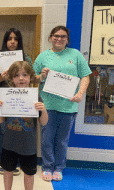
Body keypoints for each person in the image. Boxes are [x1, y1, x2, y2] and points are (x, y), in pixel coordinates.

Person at [33, 26, 91, 181]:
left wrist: (80, 94)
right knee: (47, 139)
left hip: (68, 106)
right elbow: (33, 78)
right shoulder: (42, 57)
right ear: (51, 37)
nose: (59, 38)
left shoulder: (75, 55)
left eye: (63, 36)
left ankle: (58, 168)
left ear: (67, 39)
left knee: (62, 140)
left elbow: (86, 76)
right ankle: (47, 167)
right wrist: (42, 76)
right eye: (56, 35)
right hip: (48, 105)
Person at [0, 61, 48, 190]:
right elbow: (1, 120)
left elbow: (44, 122)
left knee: (29, 173)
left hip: (28, 145)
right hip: (9, 143)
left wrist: (44, 110)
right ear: (11, 78)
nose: (21, 78)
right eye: (17, 75)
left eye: (25, 75)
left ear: (30, 77)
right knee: (7, 170)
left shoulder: (35, 96)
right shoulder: (6, 95)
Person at [0, 28, 33, 175]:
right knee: (4, 130)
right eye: (9, 39)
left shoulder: (25, 57)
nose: (12, 42)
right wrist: (1, 78)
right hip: (4, 98)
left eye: (15, 39)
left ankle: (19, 161)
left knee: (20, 128)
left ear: (19, 41)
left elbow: (31, 77)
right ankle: (3, 161)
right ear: (6, 41)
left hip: (22, 99)